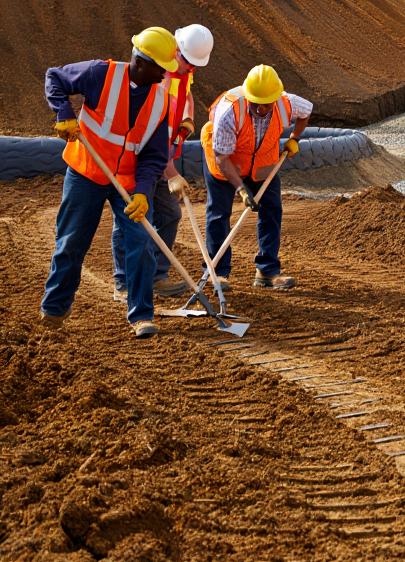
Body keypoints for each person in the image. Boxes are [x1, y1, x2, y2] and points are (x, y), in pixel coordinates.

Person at [40, 28, 178, 338]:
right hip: (87, 171)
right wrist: (64, 112)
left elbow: (153, 156)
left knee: (142, 242)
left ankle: (141, 315)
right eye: (161, 68)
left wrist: (143, 193)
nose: (164, 75)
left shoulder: (160, 101)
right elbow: (55, 78)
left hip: (128, 181)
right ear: (141, 62)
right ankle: (54, 309)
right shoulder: (100, 73)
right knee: (72, 241)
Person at [110, 24, 214, 302]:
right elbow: (152, 139)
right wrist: (172, 174)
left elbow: (187, 94)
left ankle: (156, 276)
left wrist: (188, 117)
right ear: (175, 51)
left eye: (195, 64)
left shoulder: (184, 73)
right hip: (141, 157)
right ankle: (123, 281)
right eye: (188, 61)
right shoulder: (157, 77)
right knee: (132, 219)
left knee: (170, 215)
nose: (191, 68)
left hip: (163, 153)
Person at [200, 64, 311, 291]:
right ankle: (217, 273)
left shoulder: (287, 102)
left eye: (266, 104)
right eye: (256, 103)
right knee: (219, 214)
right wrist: (241, 189)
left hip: (262, 163)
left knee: (272, 211)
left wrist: (295, 138)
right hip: (227, 163)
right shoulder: (229, 110)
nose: (260, 108)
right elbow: (221, 157)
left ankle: (267, 271)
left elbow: (307, 110)